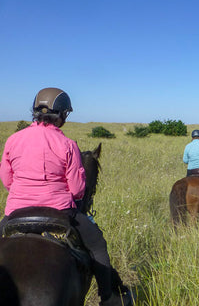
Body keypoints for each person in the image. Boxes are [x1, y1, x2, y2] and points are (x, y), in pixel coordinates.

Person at [0, 88, 132, 306]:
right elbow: (78, 188)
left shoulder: (13, 140)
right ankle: (108, 298)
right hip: (60, 211)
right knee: (97, 245)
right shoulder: (68, 145)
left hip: (16, 211)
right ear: (61, 114)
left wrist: (23, 193)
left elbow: (6, 179)